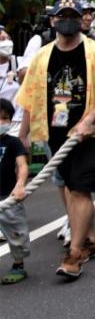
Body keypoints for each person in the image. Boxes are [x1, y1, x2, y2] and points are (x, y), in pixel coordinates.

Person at [16, 0, 95, 278]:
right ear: (53, 20)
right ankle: (91, 240)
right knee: (70, 188)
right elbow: (30, 98)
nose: (67, 21)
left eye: (72, 16)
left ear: (82, 20)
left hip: (89, 135)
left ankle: (74, 254)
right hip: (55, 133)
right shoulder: (42, 56)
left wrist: (88, 121)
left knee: (80, 189)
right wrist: (22, 135)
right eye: (61, 16)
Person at [0, 98, 30, 284]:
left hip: (8, 196)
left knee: (15, 231)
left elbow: (22, 166)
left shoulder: (13, 143)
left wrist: (20, 185)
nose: (1, 123)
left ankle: (18, 264)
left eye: (5, 118)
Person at [0, 27, 23, 137]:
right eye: (2, 39)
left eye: (8, 38)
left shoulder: (21, 64)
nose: (7, 43)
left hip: (17, 123)